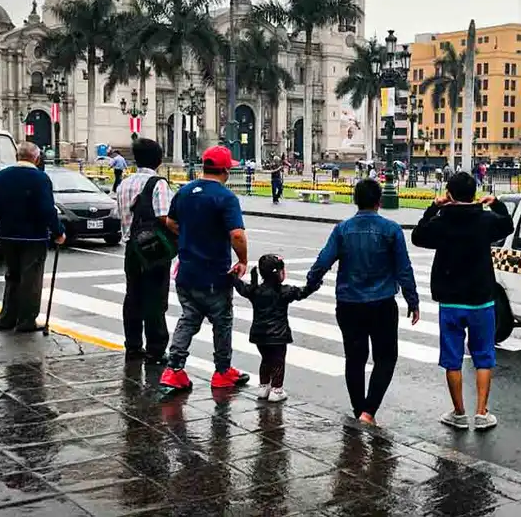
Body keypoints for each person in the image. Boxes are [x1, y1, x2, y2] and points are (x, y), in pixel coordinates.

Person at [307, 179, 419, 426]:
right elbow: (404, 268)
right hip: (382, 303)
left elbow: (323, 260)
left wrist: (311, 283)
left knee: (354, 359)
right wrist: (412, 299)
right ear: (379, 201)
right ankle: (369, 411)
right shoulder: (391, 230)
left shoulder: (342, 230)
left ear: (355, 200)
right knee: (386, 357)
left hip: (349, 303)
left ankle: (360, 409)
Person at [411, 173, 514, 431]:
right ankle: (481, 412)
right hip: (481, 299)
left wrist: (435, 206)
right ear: (474, 193)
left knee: (452, 358)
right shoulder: (486, 220)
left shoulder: (442, 221)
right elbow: (507, 225)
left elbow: (418, 235)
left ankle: (459, 412)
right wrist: (496, 203)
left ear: (450, 194)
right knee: (483, 356)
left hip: (451, 300)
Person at [159, 145, 251, 393]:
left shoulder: (185, 191)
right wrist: (242, 260)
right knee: (222, 323)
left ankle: (174, 370)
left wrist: (190, 234)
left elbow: (170, 221)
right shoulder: (225, 197)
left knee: (188, 319)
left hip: (186, 271)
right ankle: (222, 372)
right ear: (225, 170)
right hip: (215, 273)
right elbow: (237, 235)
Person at [0, 142, 65, 332]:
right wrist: (58, 231)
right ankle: (26, 320)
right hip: (33, 237)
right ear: (36, 158)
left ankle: (7, 318)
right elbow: (47, 209)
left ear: (17, 156)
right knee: (31, 280)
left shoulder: (3, 176)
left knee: (12, 277)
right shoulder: (40, 178)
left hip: (8, 235)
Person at [116, 138, 174, 364]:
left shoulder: (124, 184)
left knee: (133, 297)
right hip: (153, 249)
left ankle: (133, 346)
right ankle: (156, 349)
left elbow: (120, 215)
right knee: (155, 299)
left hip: (131, 248)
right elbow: (164, 217)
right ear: (159, 160)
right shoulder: (158, 183)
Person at [233, 254, 319, 403]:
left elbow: (241, 288)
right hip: (278, 336)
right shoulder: (284, 291)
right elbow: (302, 292)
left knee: (265, 360)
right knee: (278, 362)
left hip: (259, 335)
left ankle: (263, 387)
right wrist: (314, 284)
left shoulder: (255, 290)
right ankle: (276, 389)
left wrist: (234, 277)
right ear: (279, 273)